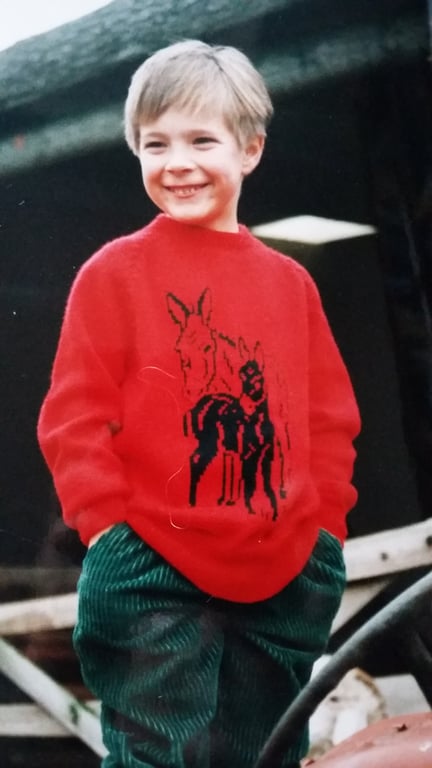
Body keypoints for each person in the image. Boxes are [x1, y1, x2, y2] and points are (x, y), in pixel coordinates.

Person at [37, 40, 360, 768]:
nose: (176, 162)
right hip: (152, 563)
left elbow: (328, 420)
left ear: (250, 150)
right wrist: (108, 531)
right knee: (160, 754)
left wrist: (326, 533)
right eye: (156, 144)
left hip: (283, 569)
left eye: (201, 141)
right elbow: (74, 416)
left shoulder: (291, 285)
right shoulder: (113, 274)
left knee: (266, 751)